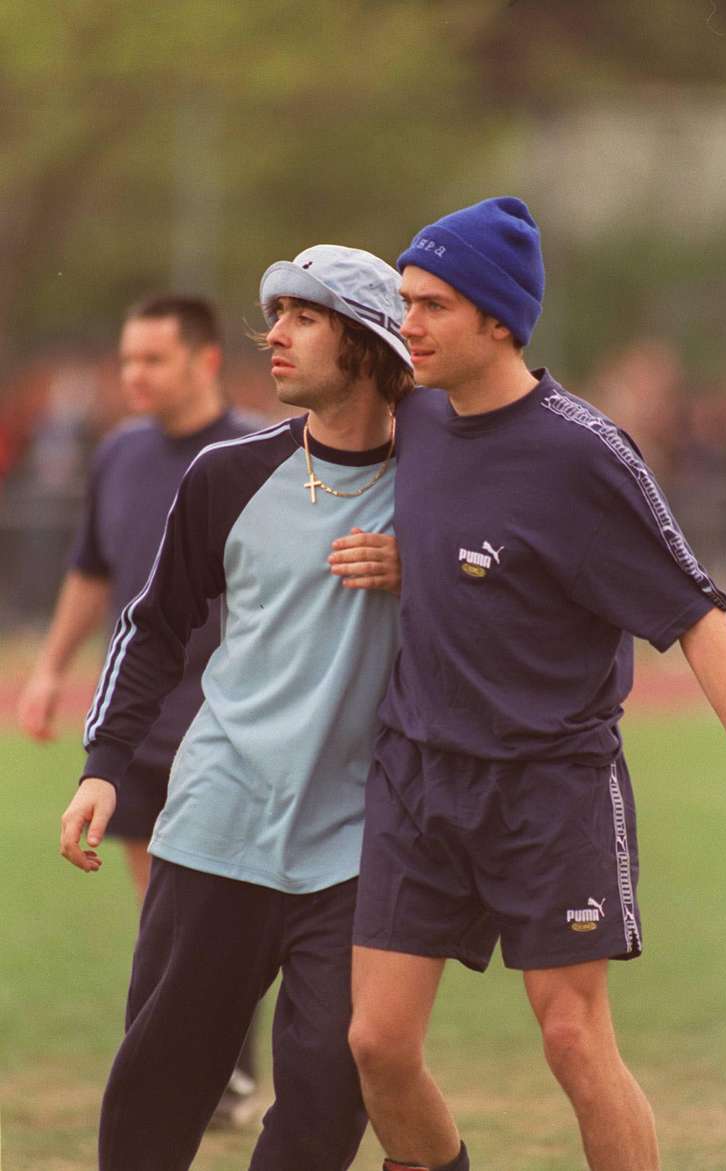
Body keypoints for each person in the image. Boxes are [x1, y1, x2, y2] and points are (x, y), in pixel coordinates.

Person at [346, 197, 726, 1171]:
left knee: (575, 1041)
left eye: (432, 305)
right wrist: (416, 563)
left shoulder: (583, 451)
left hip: (551, 785)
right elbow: (477, 551)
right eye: (405, 301)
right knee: (377, 1044)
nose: (408, 323)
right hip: (418, 774)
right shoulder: (416, 419)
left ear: (498, 319)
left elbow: (698, 614)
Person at [58, 244, 413, 1171]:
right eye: (277, 313)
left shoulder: (442, 489)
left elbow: (521, 587)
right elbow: (152, 627)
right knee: (158, 1091)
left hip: (359, 849)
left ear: (367, 343)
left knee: (329, 1098)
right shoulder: (226, 473)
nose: (275, 334)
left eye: (305, 317)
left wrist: (424, 566)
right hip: (215, 825)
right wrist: (103, 766)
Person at [18, 293, 264, 1126]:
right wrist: (51, 668)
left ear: (204, 360)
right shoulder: (119, 453)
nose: (133, 375)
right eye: (127, 359)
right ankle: (206, 1070)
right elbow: (92, 570)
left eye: (152, 359)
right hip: (139, 721)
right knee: (160, 901)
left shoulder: (257, 453)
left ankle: (226, 1070)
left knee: (217, 902)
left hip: (229, 720)